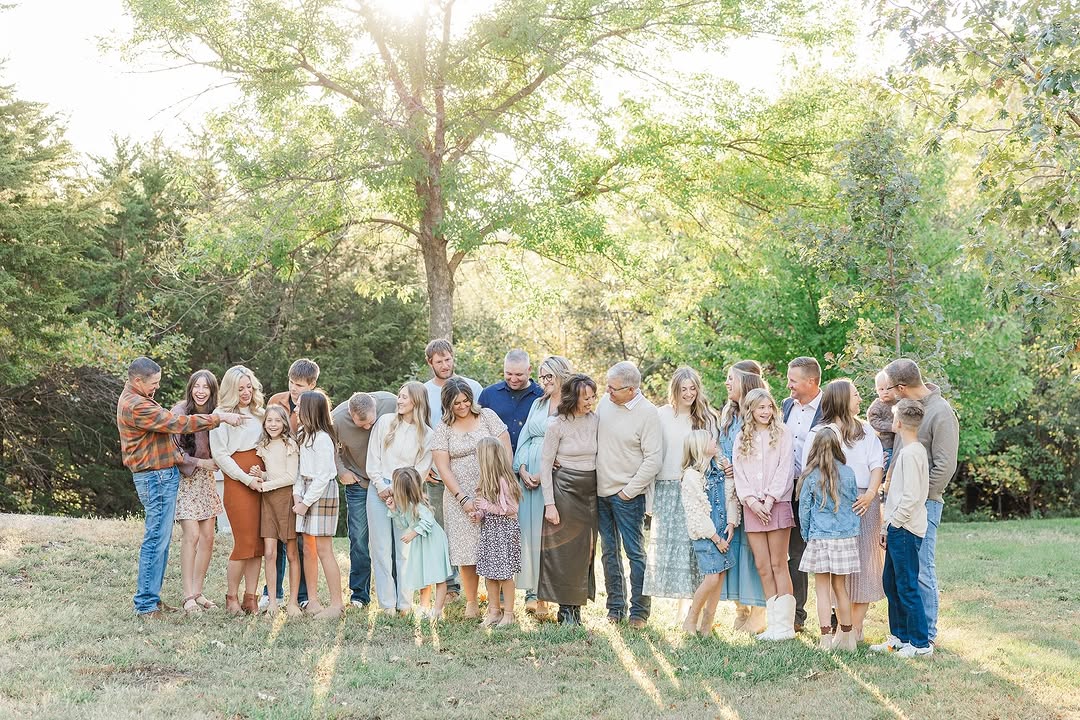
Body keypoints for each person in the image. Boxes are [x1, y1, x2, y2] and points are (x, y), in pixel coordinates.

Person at [116, 357, 244, 618]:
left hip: (159, 475)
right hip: (154, 477)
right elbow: (178, 423)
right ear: (137, 380)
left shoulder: (137, 396)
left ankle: (152, 597)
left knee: (160, 541)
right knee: (155, 541)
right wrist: (219, 418)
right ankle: (145, 605)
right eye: (153, 383)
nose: (156, 387)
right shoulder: (137, 405)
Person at [882, 358, 959, 647]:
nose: (888, 393)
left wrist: (917, 497)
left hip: (923, 504)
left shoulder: (941, 412)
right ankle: (905, 636)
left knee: (921, 570)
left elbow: (945, 465)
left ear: (901, 387)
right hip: (901, 505)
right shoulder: (907, 412)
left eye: (891, 388)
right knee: (898, 573)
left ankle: (925, 637)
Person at [802, 379, 885, 641]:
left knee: (863, 567)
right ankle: (839, 628)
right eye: (856, 395)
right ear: (840, 399)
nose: (861, 399)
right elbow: (810, 472)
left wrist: (871, 495)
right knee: (837, 573)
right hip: (832, 506)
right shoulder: (820, 433)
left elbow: (876, 465)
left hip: (864, 503)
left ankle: (855, 629)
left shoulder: (867, 431)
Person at [431, 377, 512, 619]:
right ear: (447, 405)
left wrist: (499, 483)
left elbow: (505, 448)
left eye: (466, 401)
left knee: (493, 548)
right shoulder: (443, 428)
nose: (463, 406)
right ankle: (471, 602)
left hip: (492, 492)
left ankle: (496, 604)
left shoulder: (487, 416)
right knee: (466, 550)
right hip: (459, 496)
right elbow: (442, 466)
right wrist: (462, 498)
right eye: (456, 404)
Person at [644, 367, 716, 608]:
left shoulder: (706, 417)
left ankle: (697, 604)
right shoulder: (661, 414)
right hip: (666, 485)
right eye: (683, 389)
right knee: (669, 545)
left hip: (694, 485)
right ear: (675, 390)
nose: (689, 393)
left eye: (692, 388)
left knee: (695, 543)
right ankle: (675, 601)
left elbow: (712, 453)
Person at [871, 399, 933, 658]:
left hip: (906, 528)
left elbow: (911, 496)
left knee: (906, 585)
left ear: (898, 422)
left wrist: (893, 524)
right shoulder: (911, 450)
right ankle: (900, 636)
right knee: (891, 583)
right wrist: (887, 527)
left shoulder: (911, 453)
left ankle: (920, 643)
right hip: (897, 526)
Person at [513, 355, 573, 618]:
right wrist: (523, 468)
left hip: (557, 475)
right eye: (542, 376)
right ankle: (533, 593)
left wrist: (544, 470)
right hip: (530, 477)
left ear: (561, 376)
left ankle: (550, 593)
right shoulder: (538, 404)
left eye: (549, 376)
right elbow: (525, 437)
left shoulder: (571, 406)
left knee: (550, 536)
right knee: (529, 533)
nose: (544, 382)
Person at [366, 382, 433, 616]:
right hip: (378, 492)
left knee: (404, 549)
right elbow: (372, 459)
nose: (400, 400)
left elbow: (421, 471)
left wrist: (400, 491)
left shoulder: (427, 435)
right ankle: (387, 605)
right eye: (399, 396)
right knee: (380, 549)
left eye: (404, 397)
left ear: (417, 401)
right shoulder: (385, 422)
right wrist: (381, 487)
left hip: (406, 495)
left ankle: (405, 603)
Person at [537, 374, 600, 625]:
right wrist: (549, 504)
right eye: (586, 397)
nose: (591, 401)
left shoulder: (596, 420)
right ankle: (565, 610)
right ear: (573, 397)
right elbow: (545, 463)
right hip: (564, 489)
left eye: (593, 396)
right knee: (564, 551)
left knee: (585, 551)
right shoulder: (556, 424)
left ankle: (578, 607)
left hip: (591, 492)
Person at [734, 387, 796, 641]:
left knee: (778, 564)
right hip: (752, 508)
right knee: (762, 566)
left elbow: (785, 468)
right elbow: (739, 473)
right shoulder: (741, 438)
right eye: (761, 407)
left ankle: (786, 626)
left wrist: (769, 500)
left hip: (777, 504)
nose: (766, 411)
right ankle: (773, 625)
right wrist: (751, 501)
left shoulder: (782, 433)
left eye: (769, 407)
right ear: (750, 410)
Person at [423, 339, 483, 599]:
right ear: (430, 363)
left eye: (448, 359)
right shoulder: (424, 392)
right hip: (437, 473)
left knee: (476, 528)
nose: (445, 365)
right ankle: (450, 585)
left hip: (472, 470)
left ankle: (483, 583)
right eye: (439, 361)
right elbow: (420, 431)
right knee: (442, 529)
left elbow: (480, 420)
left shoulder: (473, 387)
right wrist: (424, 467)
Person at [263, 358, 321, 610]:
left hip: (303, 478)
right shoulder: (276, 400)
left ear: (312, 384)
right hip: (278, 478)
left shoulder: (316, 405)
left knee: (301, 542)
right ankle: (271, 591)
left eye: (300, 385)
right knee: (275, 539)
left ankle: (303, 594)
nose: (294, 389)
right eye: (291, 383)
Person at [210, 365, 268, 615]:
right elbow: (220, 455)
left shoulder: (261, 414)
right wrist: (245, 479)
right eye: (240, 388)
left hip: (262, 480)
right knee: (243, 542)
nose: (245, 392)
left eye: (249, 387)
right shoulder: (220, 415)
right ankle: (231, 596)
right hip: (238, 480)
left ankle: (251, 597)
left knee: (258, 544)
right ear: (230, 389)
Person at [332, 391, 397, 608]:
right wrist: (341, 471)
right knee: (359, 539)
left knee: (394, 539)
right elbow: (329, 446)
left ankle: (395, 592)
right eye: (362, 426)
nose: (368, 429)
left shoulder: (390, 403)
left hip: (390, 483)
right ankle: (360, 594)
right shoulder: (338, 417)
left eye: (371, 423)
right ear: (351, 414)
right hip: (359, 481)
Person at [797, 427, 861, 652]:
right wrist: (853, 531)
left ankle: (825, 639)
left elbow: (804, 511)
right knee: (840, 589)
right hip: (844, 538)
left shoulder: (811, 476)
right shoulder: (849, 473)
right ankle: (848, 637)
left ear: (815, 448)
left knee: (822, 589)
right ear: (837, 446)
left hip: (820, 537)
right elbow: (855, 504)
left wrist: (807, 535)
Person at [717, 362, 768, 634]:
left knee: (754, 552)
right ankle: (741, 609)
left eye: (731, 379)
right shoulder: (727, 413)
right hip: (728, 492)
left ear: (745, 383)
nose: (726, 384)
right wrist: (722, 462)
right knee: (732, 548)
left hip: (753, 492)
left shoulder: (760, 413)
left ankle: (759, 612)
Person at [171, 370, 225, 613]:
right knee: (191, 535)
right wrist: (201, 463)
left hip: (207, 482)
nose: (201, 391)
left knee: (208, 538)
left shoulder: (216, 415)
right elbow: (172, 451)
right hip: (187, 479)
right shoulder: (180, 412)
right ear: (190, 388)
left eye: (206, 387)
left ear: (213, 392)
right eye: (197, 386)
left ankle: (198, 591)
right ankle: (187, 596)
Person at [679, 429, 737, 636]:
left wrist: (731, 522)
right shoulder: (691, 477)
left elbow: (730, 496)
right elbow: (696, 514)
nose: (716, 441)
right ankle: (691, 618)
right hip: (707, 536)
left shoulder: (719, 470)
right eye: (712, 439)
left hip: (723, 531)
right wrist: (715, 537)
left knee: (720, 576)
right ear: (700, 447)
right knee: (711, 578)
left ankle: (707, 624)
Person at [293, 390, 345, 619]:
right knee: (308, 548)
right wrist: (297, 494)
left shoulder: (323, 438)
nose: (295, 410)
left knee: (324, 549)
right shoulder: (303, 433)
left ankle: (336, 604)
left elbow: (324, 476)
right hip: (305, 490)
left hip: (321, 492)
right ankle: (312, 600)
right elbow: (298, 469)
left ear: (310, 411)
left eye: (298, 407)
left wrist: (305, 502)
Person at [781, 356, 824, 633]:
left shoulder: (829, 408)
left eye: (793, 381)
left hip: (820, 490)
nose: (788, 386)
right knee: (795, 553)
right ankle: (797, 615)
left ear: (811, 382)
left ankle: (831, 615)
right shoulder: (786, 406)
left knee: (825, 551)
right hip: (790, 489)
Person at [251, 405, 301, 617]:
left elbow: (290, 477)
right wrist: (261, 475)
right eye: (269, 420)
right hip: (267, 502)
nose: (272, 424)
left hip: (286, 500)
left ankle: (293, 602)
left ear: (284, 423)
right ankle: (272, 601)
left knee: (291, 553)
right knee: (269, 553)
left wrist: (265, 484)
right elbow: (273, 474)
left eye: (277, 421)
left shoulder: (290, 444)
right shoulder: (263, 446)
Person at [387, 467, 453, 621]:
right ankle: (424, 607)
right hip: (422, 543)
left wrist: (413, 533)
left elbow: (428, 521)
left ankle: (437, 611)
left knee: (438, 577)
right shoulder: (406, 505)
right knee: (424, 575)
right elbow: (403, 524)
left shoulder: (419, 505)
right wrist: (394, 511)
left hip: (433, 542)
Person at [472, 436, 524, 628]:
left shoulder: (505, 482)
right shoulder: (485, 482)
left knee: (505, 575)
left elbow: (512, 509)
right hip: (490, 532)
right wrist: (479, 514)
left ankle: (509, 613)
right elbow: (488, 510)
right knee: (490, 574)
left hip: (504, 533)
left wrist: (488, 506)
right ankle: (494, 611)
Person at [478, 349, 544, 453]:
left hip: (530, 461)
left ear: (529, 369)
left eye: (518, 375)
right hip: (496, 461)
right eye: (509, 374)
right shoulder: (488, 394)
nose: (513, 379)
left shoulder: (542, 396)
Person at [867, 371, 898, 472]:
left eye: (889, 388)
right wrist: (891, 427)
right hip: (884, 443)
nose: (885, 391)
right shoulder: (877, 406)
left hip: (898, 442)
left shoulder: (899, 403)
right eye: (881, 389)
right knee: (888, 462)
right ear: (877, 390)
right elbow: (873, 421)